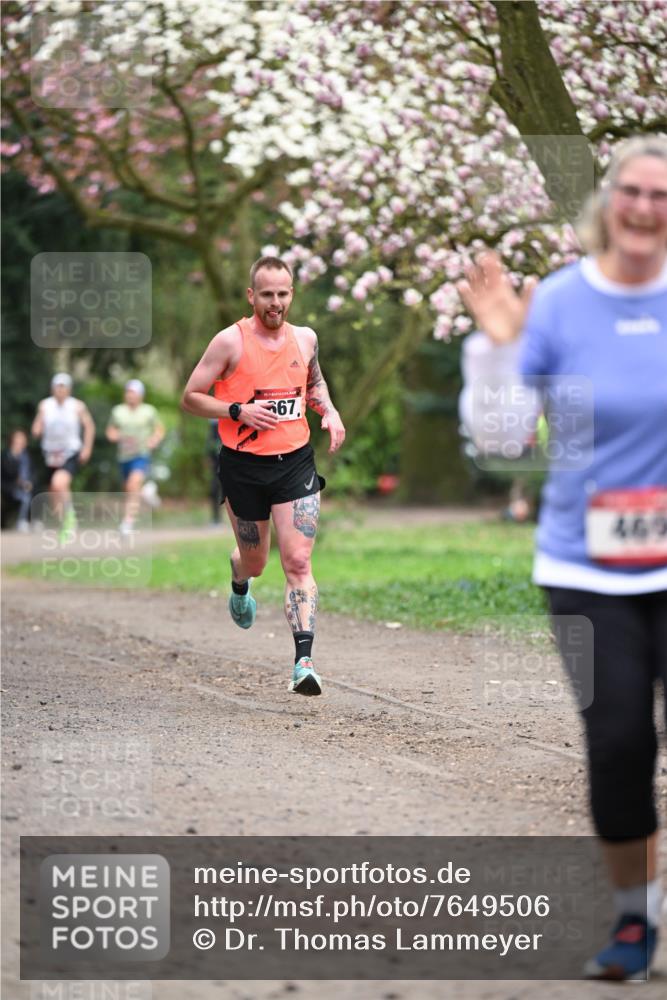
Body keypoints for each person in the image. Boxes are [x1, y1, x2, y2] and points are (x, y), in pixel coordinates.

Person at [457, 135, 667, 981]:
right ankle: (632, 921)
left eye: (662, 195)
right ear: (606, 202)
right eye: (632, 192)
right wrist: (502, 343)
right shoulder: (560, 304)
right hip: (585, 570)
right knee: (617, 742)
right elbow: (502, 439)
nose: (646, 208)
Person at [181, 255, 346, 696]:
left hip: (295, 463)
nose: (276, 303)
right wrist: (237, 410)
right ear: (252, 295)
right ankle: (240, 578)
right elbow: (191, 397)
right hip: (243, 467)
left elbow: (314, 384)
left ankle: (304, 663)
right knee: (256, 560)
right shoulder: (228, 342)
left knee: (298, 562)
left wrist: (328, 411)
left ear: (293, 294)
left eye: (283, 294)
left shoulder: (306, 339)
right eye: (267, 294)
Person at [31, 373, 95, 539]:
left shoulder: (77, 406)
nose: (60, 390)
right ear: (53, 388)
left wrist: (87, 448)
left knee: (59, 482)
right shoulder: (45, 405)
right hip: (50, 454)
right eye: (57, 387)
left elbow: (89, 426)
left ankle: (71, 518)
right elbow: (36, 428)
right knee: (54, 492)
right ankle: (65, 525)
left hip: (70, 452)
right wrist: (37, 428)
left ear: (69, 389)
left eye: (63, 387)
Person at [106, 379, 164, 534]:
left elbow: (159, 430)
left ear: (141, 395)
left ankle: (127, 523)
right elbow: (110, 431)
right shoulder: (118, 411)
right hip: (124, 456)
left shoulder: (149, 411)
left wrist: (154, 440)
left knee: (133, 484)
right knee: (129, 489)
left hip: (141, 454)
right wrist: (115, 436)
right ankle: (146, 492)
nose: (130, 395)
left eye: (134, 392)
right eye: (128, 392)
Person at [1, 429, 33, 531]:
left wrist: (30, 483)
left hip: (27, 487)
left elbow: (32, 474)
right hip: (8, 487)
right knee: (25, 497)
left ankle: (26, 521)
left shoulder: (27, 457)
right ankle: (21, 521)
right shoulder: (6, 455)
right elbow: (9, 473)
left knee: (30, 493)